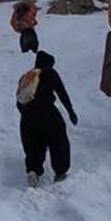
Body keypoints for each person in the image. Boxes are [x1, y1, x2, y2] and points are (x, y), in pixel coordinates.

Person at [18, 51, 77, 186]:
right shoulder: (50, 73)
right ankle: (60, 173)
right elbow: (62, 93)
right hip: (48, 113)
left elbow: (19, 101)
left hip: (27, 117)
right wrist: (71, 111)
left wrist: (27, 114)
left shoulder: (26, 77)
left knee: (33, 144)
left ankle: (33, 171)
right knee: (58, 141)